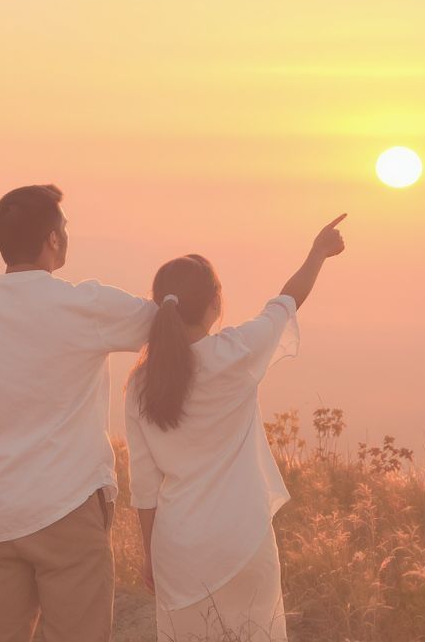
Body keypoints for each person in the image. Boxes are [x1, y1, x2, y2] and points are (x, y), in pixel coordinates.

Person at [0, 184, 157, 642]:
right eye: (65, 226)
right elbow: (168, 323)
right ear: (52, 239)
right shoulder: (83, 306)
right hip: (66, 506)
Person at [125, 214, 348, 642]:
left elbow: (145, 484)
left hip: (179, 548)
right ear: (214, 304)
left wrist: (152, 555)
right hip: (243, 540)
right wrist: (318, 251)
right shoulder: (236, 354)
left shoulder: (138, 384)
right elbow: (286, 301)